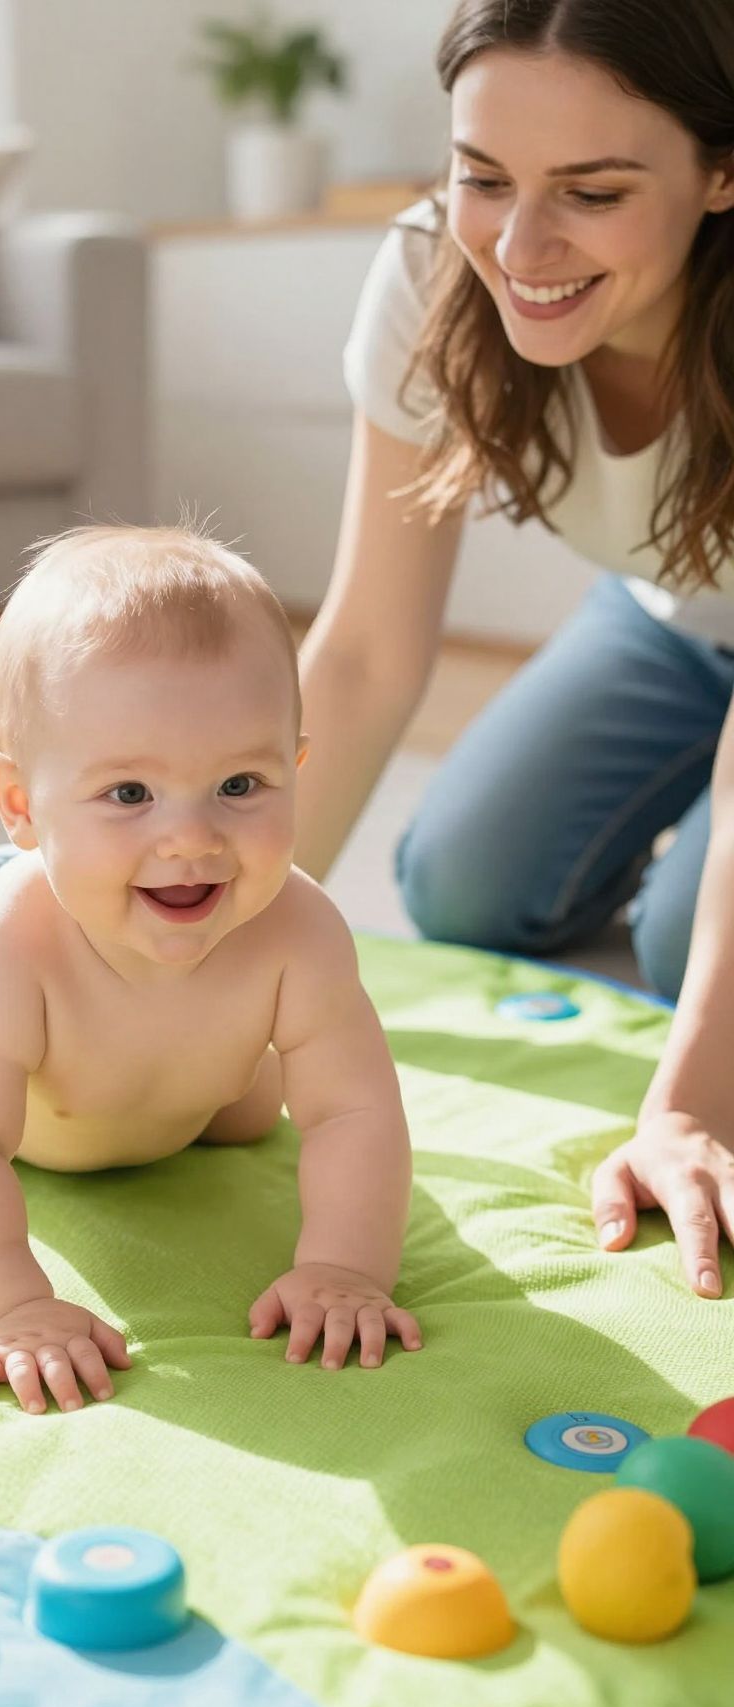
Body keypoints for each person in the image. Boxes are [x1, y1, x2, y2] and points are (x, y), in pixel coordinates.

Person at [0, 526, 421, 1413]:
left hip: (141, 1055)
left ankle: (178, 1080)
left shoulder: (298, 931)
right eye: (130, 795)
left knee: (246, 1112)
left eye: (241, 786)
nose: (192, 840)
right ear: (19, 804)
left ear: (295, 769)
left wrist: (345, 1268)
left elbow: (355, 1110)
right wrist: (8, 1308)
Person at [297, 0, 734, 1300]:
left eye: (592, 192)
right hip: (668, 618)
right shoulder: (436, 267)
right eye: (483, 176)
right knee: (460, 884)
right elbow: (367, 650)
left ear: (723, 170)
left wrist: (693, 1103)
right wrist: (186, 962)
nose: (520, 246)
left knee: (676, 957)